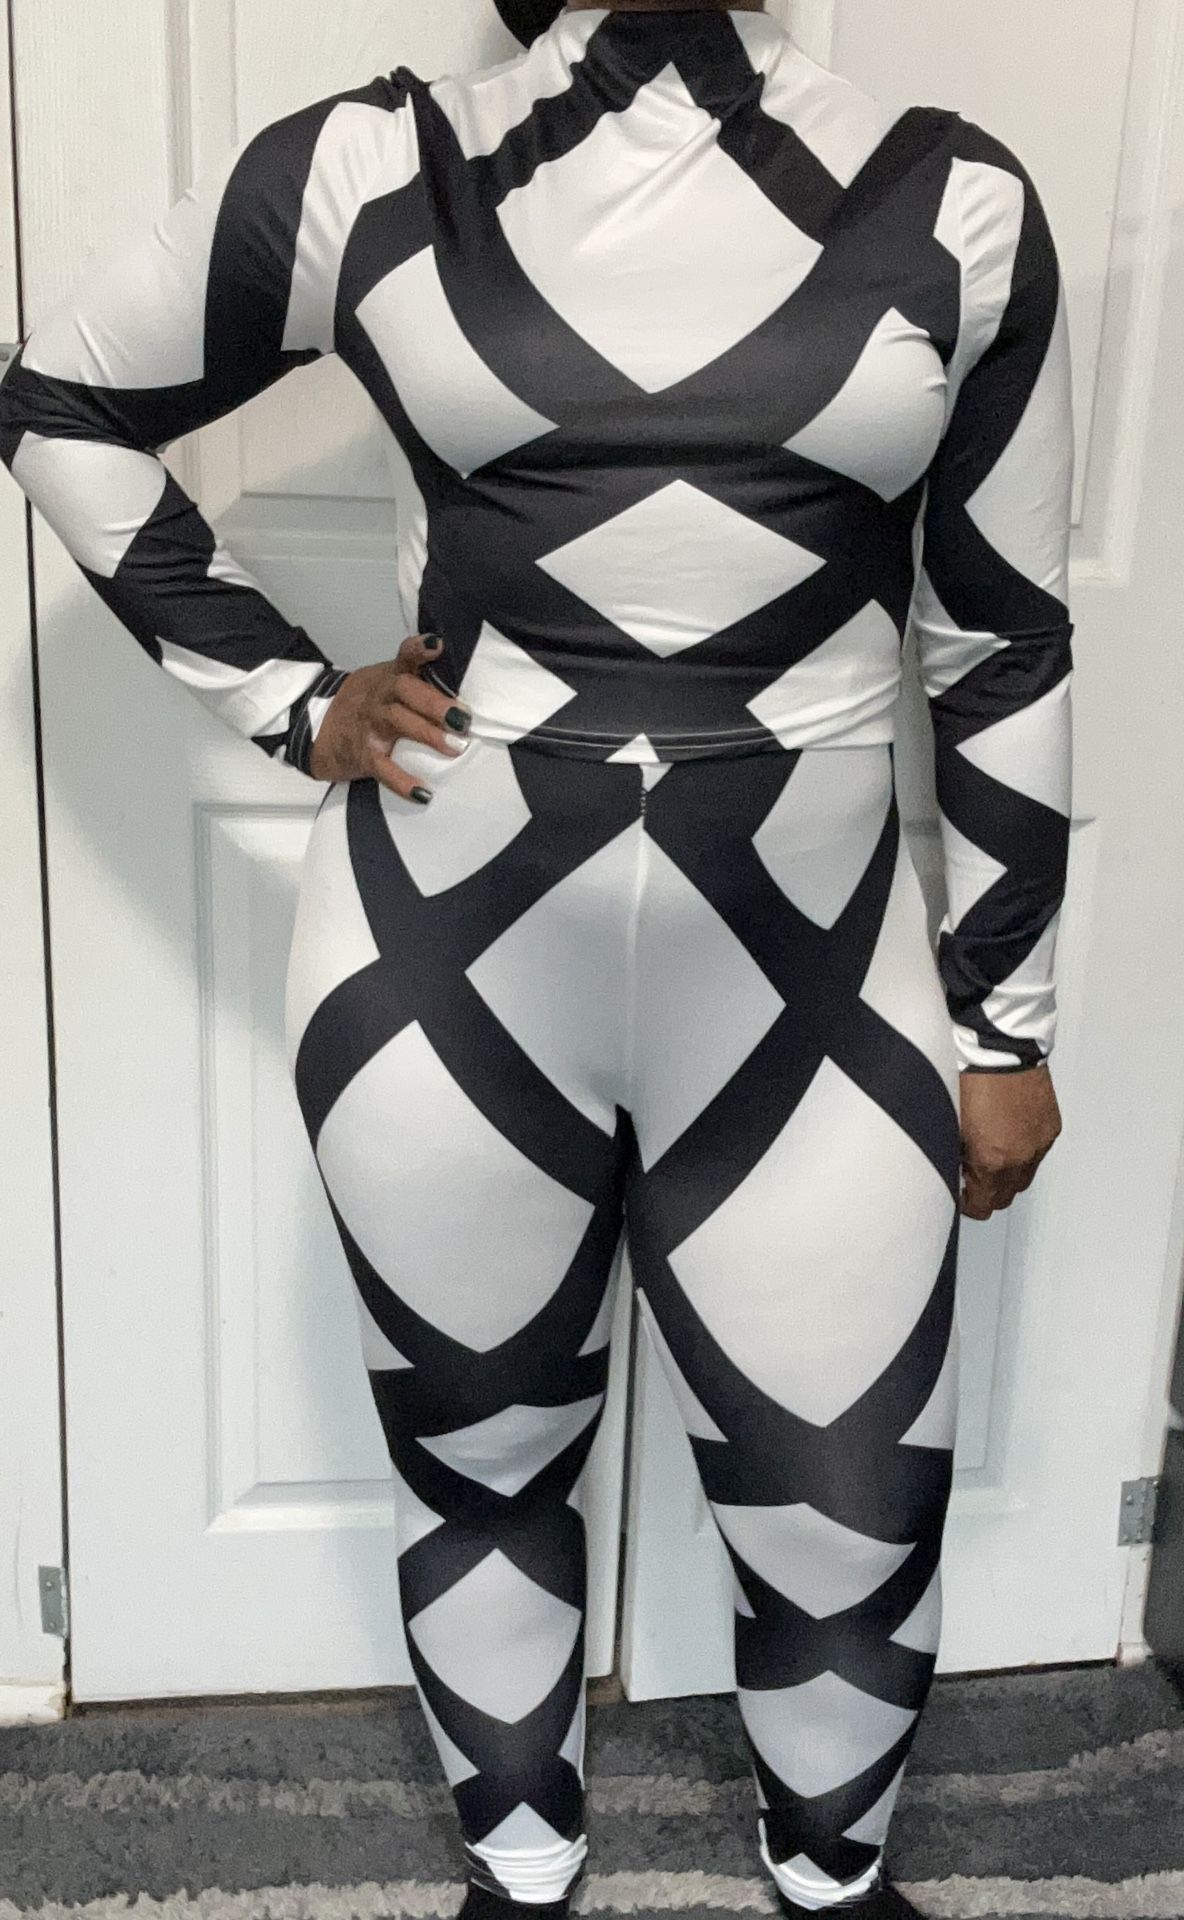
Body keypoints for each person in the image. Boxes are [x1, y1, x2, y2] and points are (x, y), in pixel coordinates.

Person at [0, 1, 1074, 1914]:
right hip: (447, 952)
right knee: (481, 1457)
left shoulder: (955, 200)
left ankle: (833, 1881)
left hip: (815, 971)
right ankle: (521, 1873)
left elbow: (1002, 639)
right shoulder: (373, 168)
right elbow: (61, 399)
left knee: (847, 1509)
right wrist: (286, 699)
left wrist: (1009, 1021)